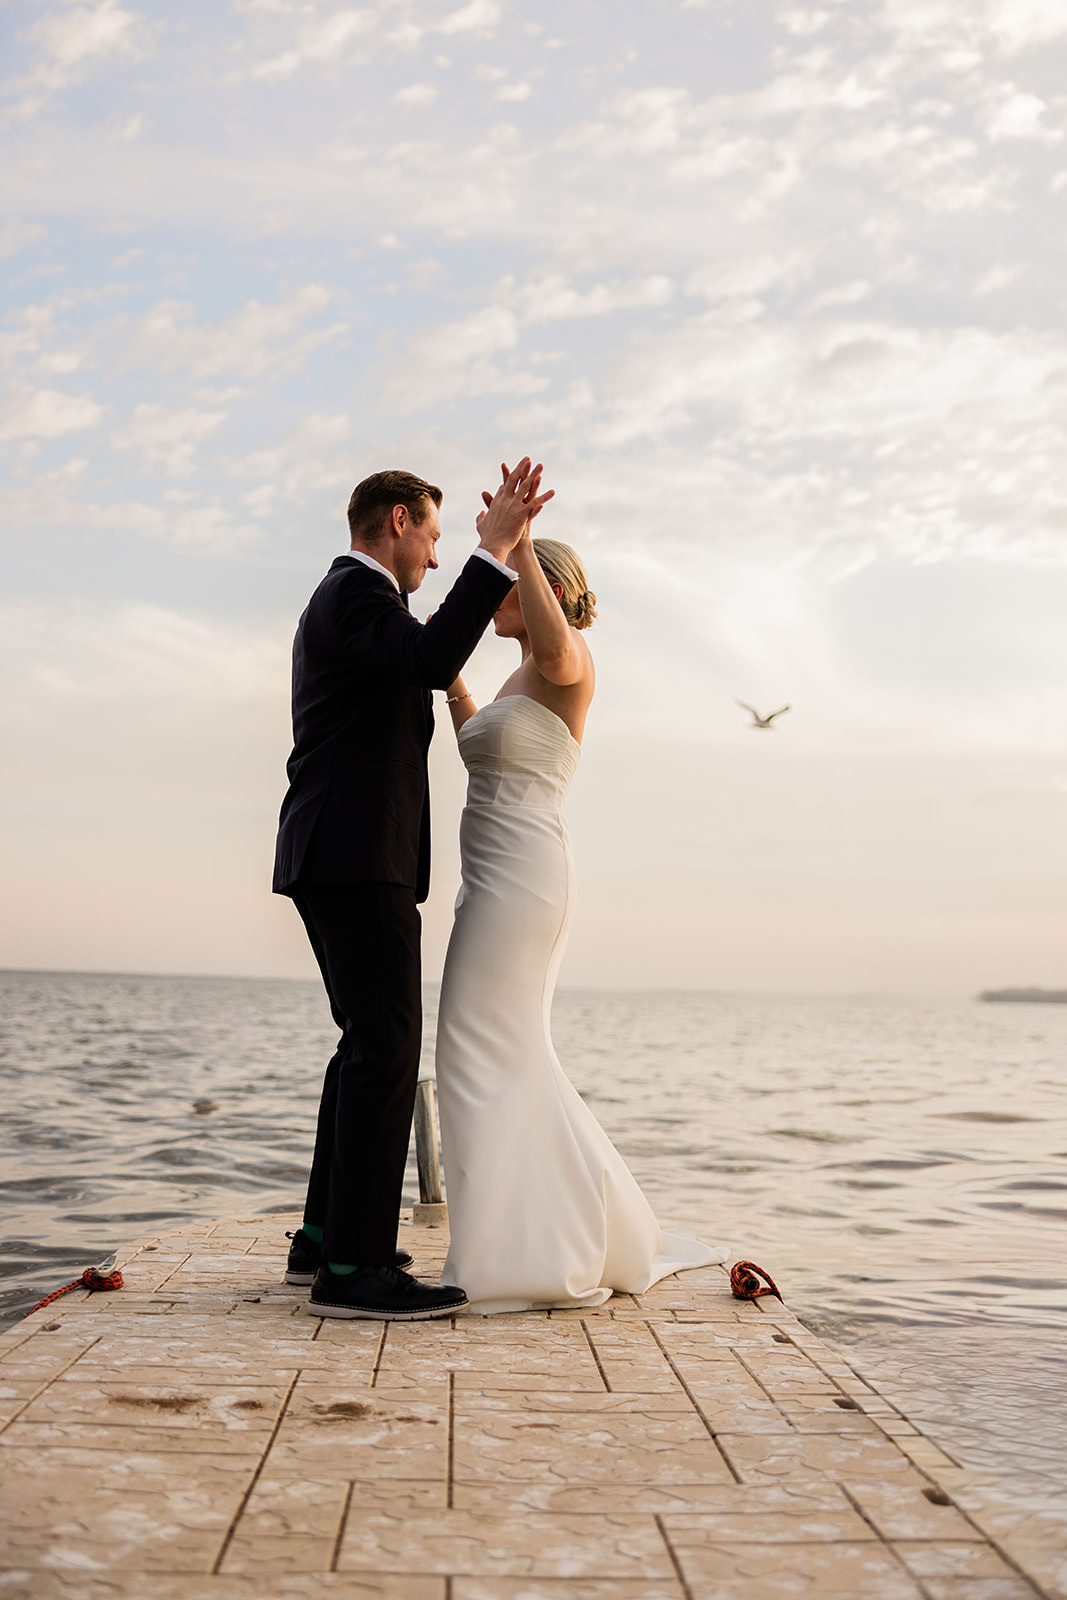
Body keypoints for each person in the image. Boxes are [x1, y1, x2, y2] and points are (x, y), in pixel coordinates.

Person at [273, 459, 553, 1320]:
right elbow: (434, 657)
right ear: (397, 521)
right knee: (387, 1046)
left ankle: (325, 1238)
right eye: (432, 537)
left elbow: (424, 662)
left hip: (342, 851)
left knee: (365, 1042)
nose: (437, 558)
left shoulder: (352, 602)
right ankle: (353, 1270)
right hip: (357, 855)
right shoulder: (355, 595)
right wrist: (496, 549)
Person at [435, 517, 727, 1312]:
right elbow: (480, 745)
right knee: (495, 1052)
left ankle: (511, 1254)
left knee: (477, 1047)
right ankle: (533, 1236)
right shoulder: (515, 678)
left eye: (511, 582)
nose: (494, 590)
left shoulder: (567, 664)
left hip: (525, 881)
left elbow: (555, 643)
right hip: (491, 878)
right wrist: (450, 677)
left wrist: (518, 540)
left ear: (545, 594)